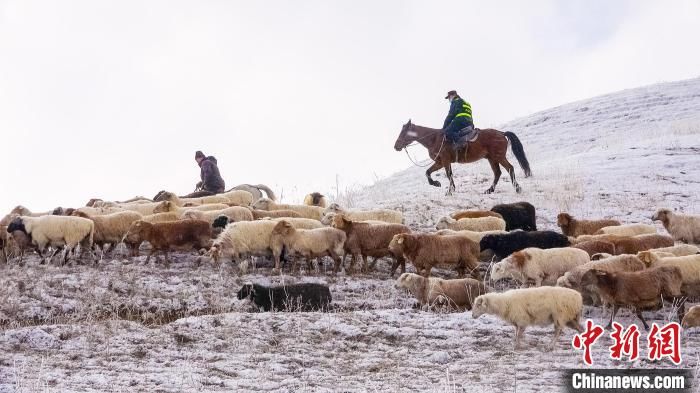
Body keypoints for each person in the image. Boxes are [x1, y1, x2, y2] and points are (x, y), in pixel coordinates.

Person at [442, 90, 474, 155]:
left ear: (452, 96)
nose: (449, 100)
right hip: (469, 122)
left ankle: (460, 142)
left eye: (449, 98)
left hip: (461, 120)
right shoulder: (466, 102)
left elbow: (450, 115)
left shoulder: (455, 101)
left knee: (447, 131)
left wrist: (444, 127)